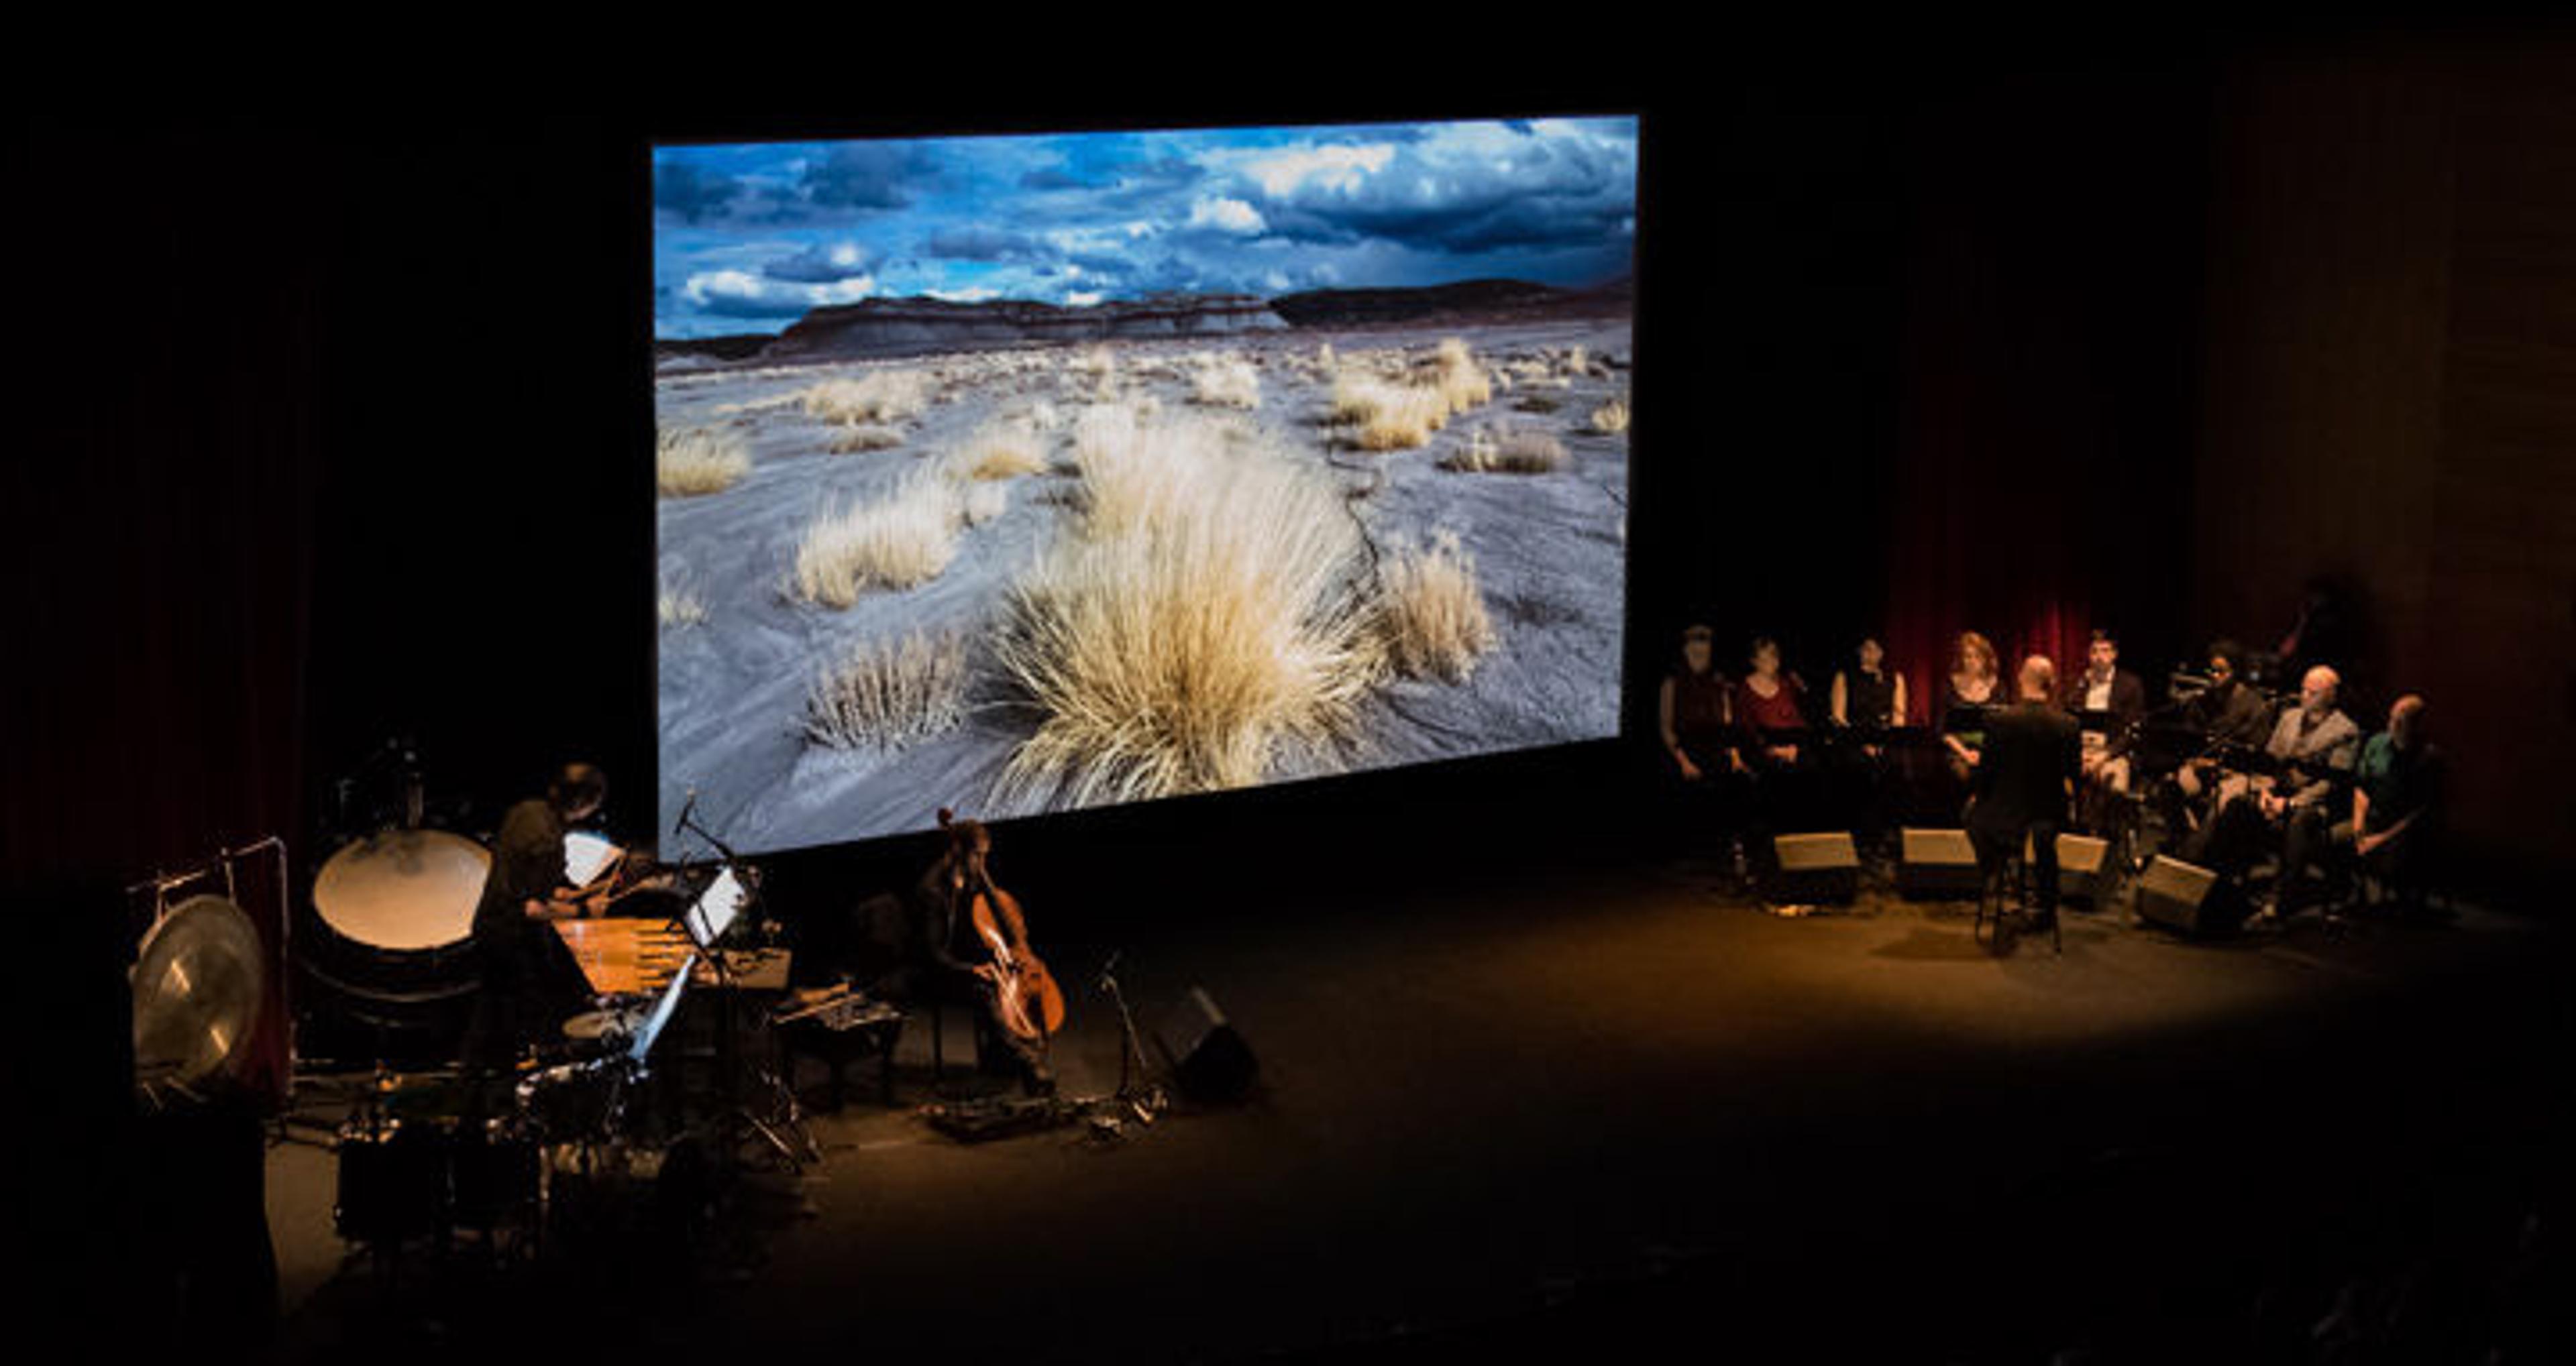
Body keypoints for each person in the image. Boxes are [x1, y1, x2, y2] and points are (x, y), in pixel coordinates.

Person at [463, 762, 614, 1075]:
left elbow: (525, 881)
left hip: (488, 925)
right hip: (513, 938)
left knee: (488, 1014)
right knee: (532, 1015)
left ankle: (477, 1081)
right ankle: (521, 1083)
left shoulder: (526, 811)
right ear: (584, 804)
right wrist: (585, 911)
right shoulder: (549, 843)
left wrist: (570, 896)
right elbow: (531, 909)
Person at [2186, 665, 2361, 911]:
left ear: (2332, 695)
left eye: (2314, 692)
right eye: (2304, 689)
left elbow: (2332, 782)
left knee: (2300, 821)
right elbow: (2269, 763)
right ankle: (2216, 879)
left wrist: (2290, 804)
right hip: (2277, 791)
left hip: (2312, 803)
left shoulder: (2346, 731)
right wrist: (2265, 792)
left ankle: (2283, 896)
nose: (2305, 696)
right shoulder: (2289, 717)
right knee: (2238, 805)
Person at [912, 811, 1056, 1096]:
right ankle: (1025, 1058)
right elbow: (932, 954)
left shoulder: (971, 879)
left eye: (984, 856)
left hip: (962, 962)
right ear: (956, 850)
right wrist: (970, 969)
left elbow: (989, 923)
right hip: (935, 971)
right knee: (986, 989)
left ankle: (999, 1056)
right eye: (977, 856)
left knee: (995, 981)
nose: (982, 864)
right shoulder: (932, 892)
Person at [2276, 693, 2443, 919]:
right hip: (2372, 818)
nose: (2393, 725)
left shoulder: (2428, 757)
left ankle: (2393, 905)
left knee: (2393, 855)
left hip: (2402, 829)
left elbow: (2420, 810)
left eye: (2401, 721)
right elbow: (2362, 788)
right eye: (2392, 718)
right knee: (2325, 840)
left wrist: (2382, 838)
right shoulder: (2378, 743)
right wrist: (2358, 827)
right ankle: (2344, 891)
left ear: (2416, 724)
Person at [1966, 657, 2082, 930]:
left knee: (1971, 814)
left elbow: (1986, 776)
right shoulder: (2069, 725)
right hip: (2048, 815)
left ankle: (1994, 871)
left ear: (2021, 679)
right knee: (2045, 841)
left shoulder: (1998, 721)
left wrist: (1980, 798)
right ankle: (2046, 909)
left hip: (2004, 816)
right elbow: (2074, 777)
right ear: (2051, 684)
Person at [1657, 624, 1748, 870]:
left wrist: (1735, 755)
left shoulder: (1718, 682)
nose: (1700, 655)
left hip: (1716, 746)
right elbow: (1665, 727)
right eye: (1695, 649)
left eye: (1705, 649)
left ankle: (1731, 850)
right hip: (1684, 750)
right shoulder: (1672, 682)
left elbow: (1728, 721)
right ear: (1686, 650)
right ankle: (1689, 852)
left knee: (1737, 780)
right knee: (1688, 785)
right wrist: (1683, 761)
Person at [1731, 636, 1817, 836]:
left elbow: (1798, 721)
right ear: (1754, 661)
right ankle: (1774, 832)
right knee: (1774, 774)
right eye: (1765, 659)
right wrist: (1773, 751)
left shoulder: (1786, 686)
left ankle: (1802, 832)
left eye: (1774, 658)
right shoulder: (1744, 690)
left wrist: (1794, 748)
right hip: (1761, 749)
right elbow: (1745, 730)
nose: (1772, 663)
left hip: (1790, 747)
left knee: (1812, 766)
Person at [1828, 636, 1908, 847]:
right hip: (1854, 740)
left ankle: (1887, 833)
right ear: (1859, 651)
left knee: (1895, 766)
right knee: (1858, 767)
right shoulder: (1845, 677)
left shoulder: (1895, 677)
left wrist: (1884, 742)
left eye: (1876, 649)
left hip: (1885, 741)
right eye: (1866, 649)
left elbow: (1899, 716)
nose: (1871, 653)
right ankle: (1859, 834)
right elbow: (1838, 716)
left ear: (1882, 653)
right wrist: (1863, 743)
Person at [1939, 631, 2003, 786]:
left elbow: (2003, 728)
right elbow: (1944, 732)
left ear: (1986, 659)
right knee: (1964, 776)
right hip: (1958, 750)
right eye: (1968, 656)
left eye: (1977, 656)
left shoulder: (1998, 687)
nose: (1972, 661)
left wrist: (1984, 754)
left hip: (1990, 750)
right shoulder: (1950, 685)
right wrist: (1966, 754)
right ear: (1961, 659)